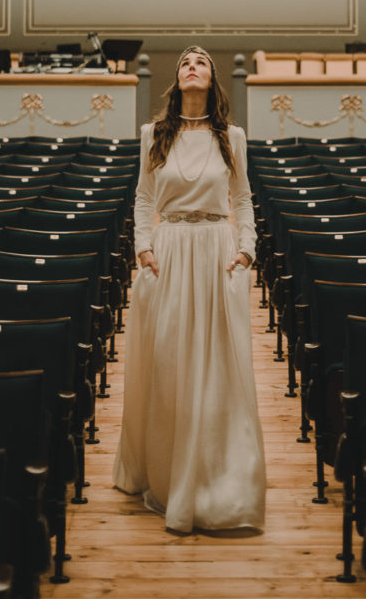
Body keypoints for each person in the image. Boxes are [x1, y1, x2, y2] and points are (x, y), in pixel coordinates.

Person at [112, 47, 266, 533]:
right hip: (171, 252)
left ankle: (217, 479)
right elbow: (141, 198)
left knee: (219, 368)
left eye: (200, 61)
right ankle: (166, 473)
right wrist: (144, 250)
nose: (192, 65)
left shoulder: (232, 138)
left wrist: (246, 251)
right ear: (176, 78)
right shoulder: (152, 134)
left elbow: (242, 200)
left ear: (212, 77)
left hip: (218, 253)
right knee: (169, 366)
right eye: (184, 62)